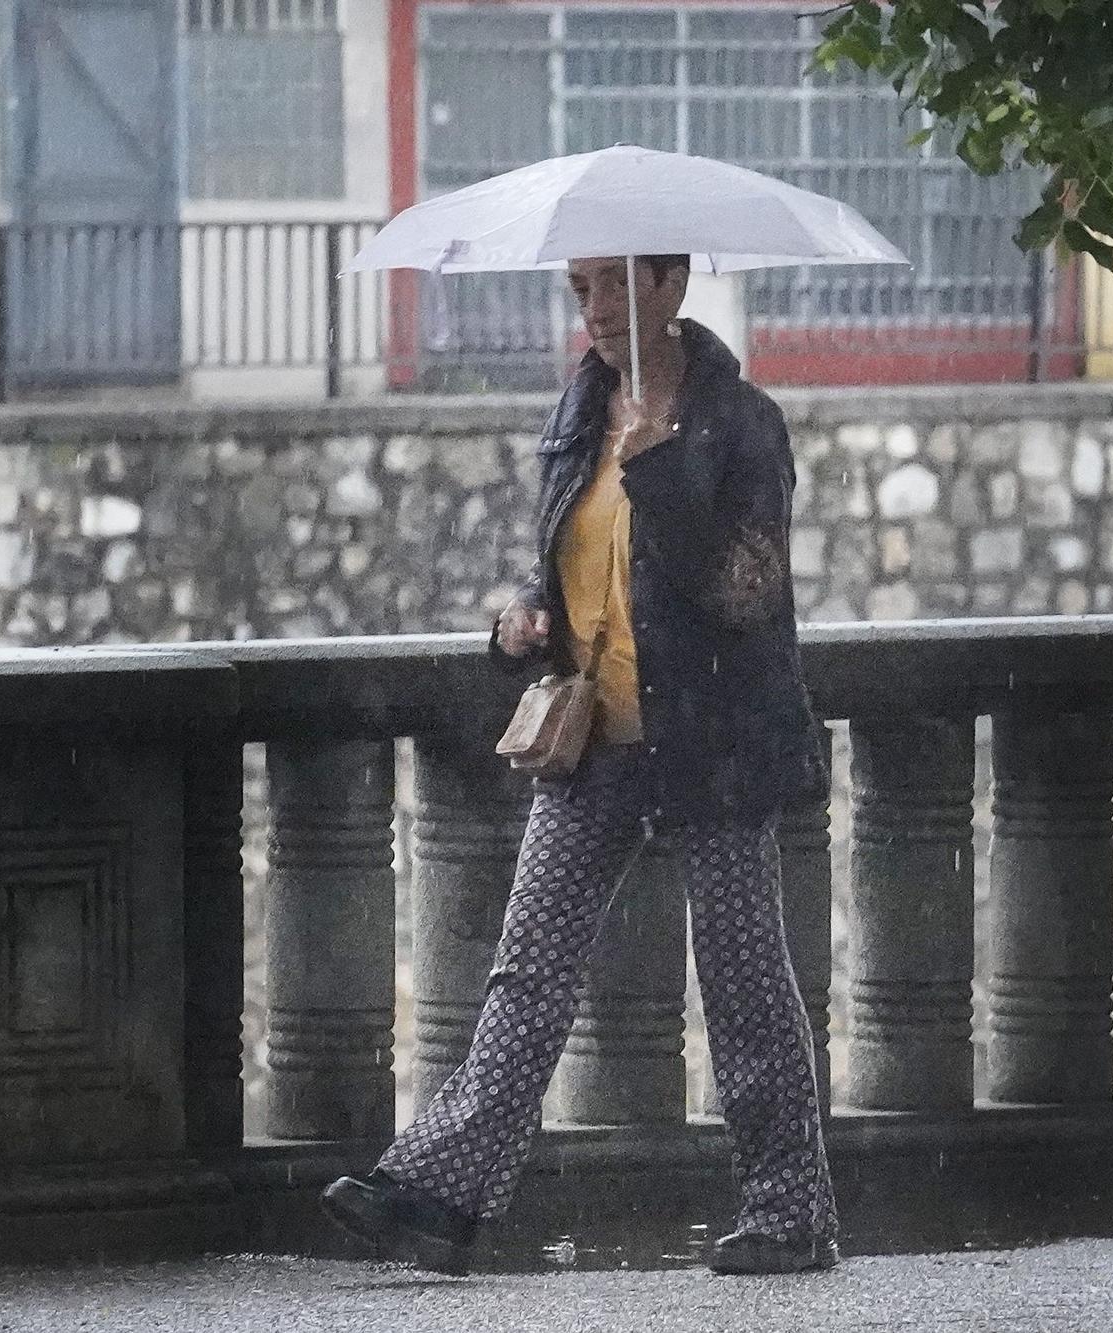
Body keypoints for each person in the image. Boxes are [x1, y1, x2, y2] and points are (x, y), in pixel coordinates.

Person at [322, 254, 837, 1277]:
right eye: (579, 291)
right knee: (529, 969)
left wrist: (665, 477)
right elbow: (576, 556)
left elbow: (745, 591)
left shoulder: (740, 423)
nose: (594, 310)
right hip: (590, 730)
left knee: (742, 982)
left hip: (713, 743)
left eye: (612, 285)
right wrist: (527, 619)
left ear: (670, 284)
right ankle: (444, 1193)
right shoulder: (578, 407)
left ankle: (792, 1213)